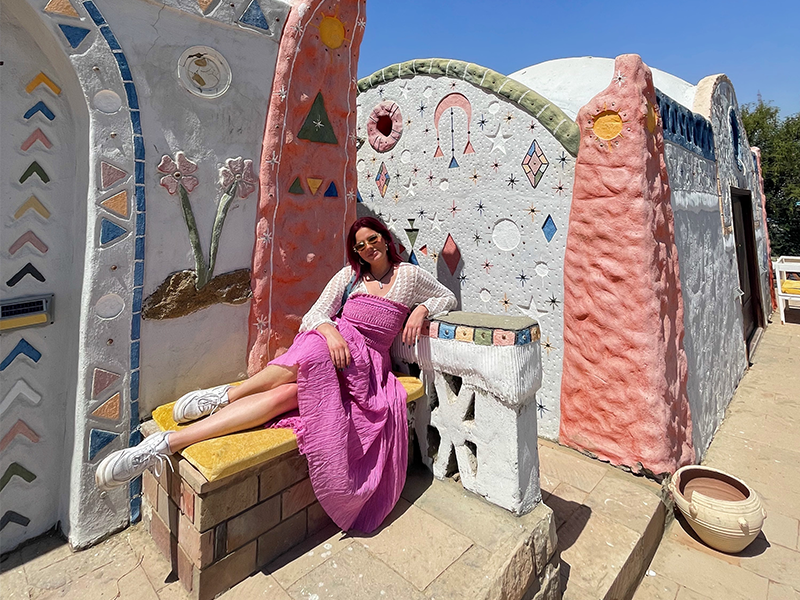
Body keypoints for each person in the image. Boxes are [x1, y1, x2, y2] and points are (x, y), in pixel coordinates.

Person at [95, 216, 456, 532]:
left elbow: (447, 298)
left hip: (364, 371)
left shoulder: (410, 276)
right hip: (333, 345)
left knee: (288, 396)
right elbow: (315, 315)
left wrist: (421, 309)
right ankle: (211, 406)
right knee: (308, 355)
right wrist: (330, 332)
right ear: (356, 252)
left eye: (372, 239)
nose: (367, 248)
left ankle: (172, 440)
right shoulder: (349, 276)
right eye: (360, 245)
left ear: (385, 239)